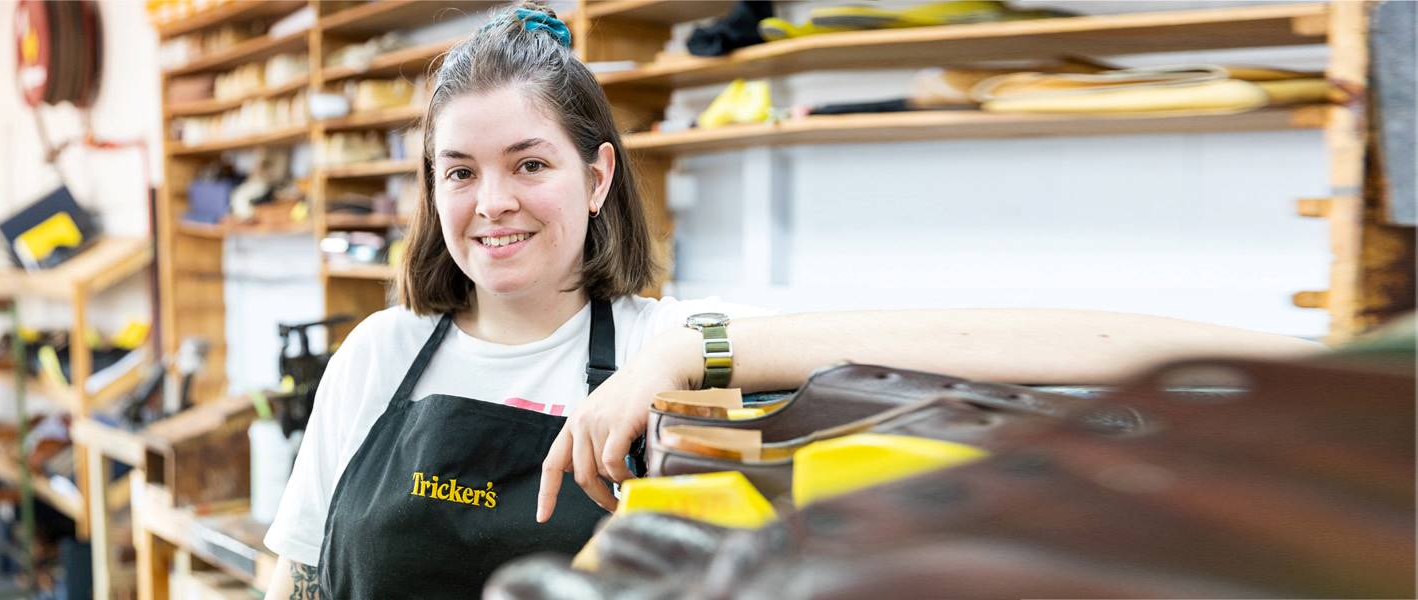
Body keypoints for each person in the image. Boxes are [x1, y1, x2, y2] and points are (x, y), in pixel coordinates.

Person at [263, 4, 1321, 598]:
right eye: (459, 170)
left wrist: (1304, 366)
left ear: (594, 178)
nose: (490, 202)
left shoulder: (660, 344)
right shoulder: (380, 353)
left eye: (527, 163)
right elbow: (294, 575)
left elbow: (978, 337)